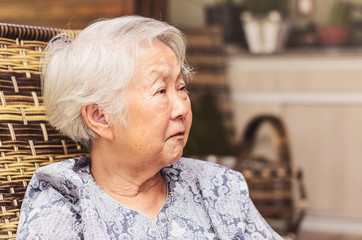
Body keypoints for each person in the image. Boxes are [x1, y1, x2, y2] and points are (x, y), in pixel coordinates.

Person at [16, 16, 282, 239]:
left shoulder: (218, 186)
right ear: (99, 117)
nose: (182, 108)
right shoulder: (65, 201)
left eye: (181, 87)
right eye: (161, 90)